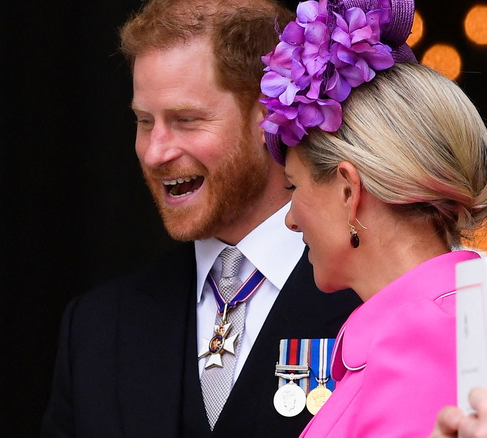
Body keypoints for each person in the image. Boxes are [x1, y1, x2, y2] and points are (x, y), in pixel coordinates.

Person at [40, 0, 362, 436]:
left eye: (186, 120)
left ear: (271, 117)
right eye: (143, 121)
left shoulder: (373, 297)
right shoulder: (97, 329)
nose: (155, 152)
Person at [260, 0, 487, 435]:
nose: (290, 219)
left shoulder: (422, 340)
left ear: (348, 190)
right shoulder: (439, 320)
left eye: (294, 188)